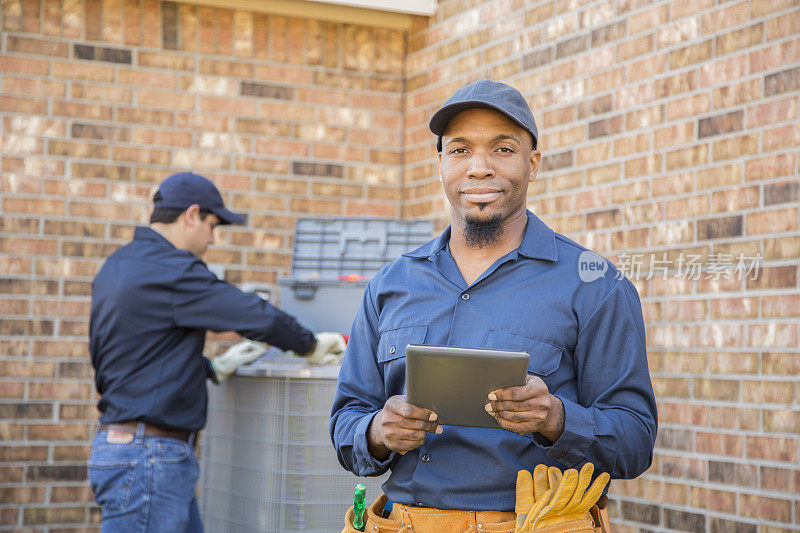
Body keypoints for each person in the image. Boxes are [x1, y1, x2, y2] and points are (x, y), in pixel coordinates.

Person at [330, 80, 657, 532]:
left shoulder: (596, 285)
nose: (479, 168)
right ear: (441, 162)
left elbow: (635, 441)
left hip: (530, 524)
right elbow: (346, 421)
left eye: (503, 149)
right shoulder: (391, 284)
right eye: (460, 150)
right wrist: (377, 434)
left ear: (533, 163)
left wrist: (557, 418)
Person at [88, 171, 346, 532]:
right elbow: (253, 315)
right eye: (212, 225)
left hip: (127, 448)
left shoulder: (117, 266)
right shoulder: (172, 270)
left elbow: (126, 356)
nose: (212, 238)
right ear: (192, 215)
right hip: (151, 459)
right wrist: (312, 345)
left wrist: (209, 367)